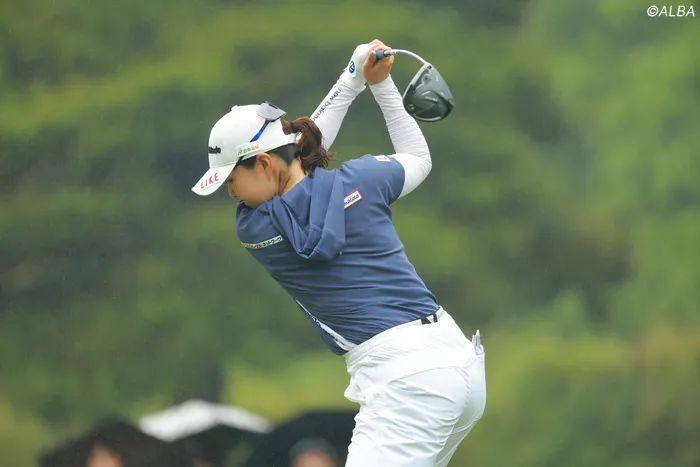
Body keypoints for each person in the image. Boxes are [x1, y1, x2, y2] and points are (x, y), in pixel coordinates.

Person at [191, 39, 486, 467]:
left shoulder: (255, 226)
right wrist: (375, 84)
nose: (230, 192)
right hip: (459, 362)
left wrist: (352, 81)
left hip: (404, 382)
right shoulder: (362, 180)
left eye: (230, 179)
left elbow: (302, 158)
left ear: (264, 165)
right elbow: (417, 158)